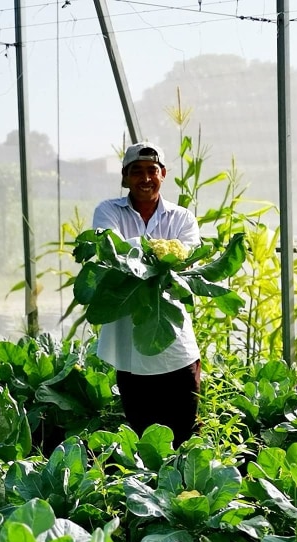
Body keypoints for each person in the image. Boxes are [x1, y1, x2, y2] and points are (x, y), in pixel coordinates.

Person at [92, 142, 201, 447]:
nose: (145, 178)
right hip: (128, 340)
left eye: (152, 170)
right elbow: (110, 251)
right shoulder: (108, 211)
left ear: (163, 174)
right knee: (142, 433)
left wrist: (137, 253)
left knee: (182, 430)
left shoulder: (182, 218)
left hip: (176, 340)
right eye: (136, 171)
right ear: (125, 178)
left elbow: (188, 257)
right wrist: (160, 255)